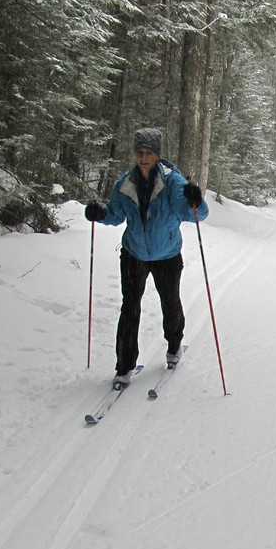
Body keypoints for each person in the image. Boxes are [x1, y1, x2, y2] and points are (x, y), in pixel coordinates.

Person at [85, 128, 209, 387]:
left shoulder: (173, 182)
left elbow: (196, 213)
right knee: (129, 309)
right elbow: (116, 215)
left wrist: (195, 200)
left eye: (148, 153)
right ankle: (124, 366)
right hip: (134, 254)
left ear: (157, 154)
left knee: (170, 303)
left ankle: (174, 346)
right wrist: (100, 214)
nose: (143, 158)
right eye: (139, 152)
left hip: (167, 255)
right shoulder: (125, 182)